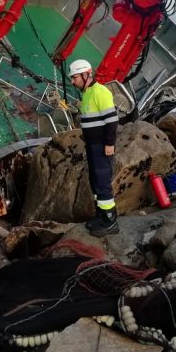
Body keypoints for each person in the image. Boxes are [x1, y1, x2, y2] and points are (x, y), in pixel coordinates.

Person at [68, 59, 119, 237]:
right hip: (92, 146)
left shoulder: (100, 92)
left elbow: (111, 121)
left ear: (86, 74)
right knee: (95, 181)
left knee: (103, 182)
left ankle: (111, 221)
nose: (72, 82)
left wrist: (110, 144)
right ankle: (101, 216)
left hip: (101, 147)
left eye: (74, 77)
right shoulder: (87, 93)